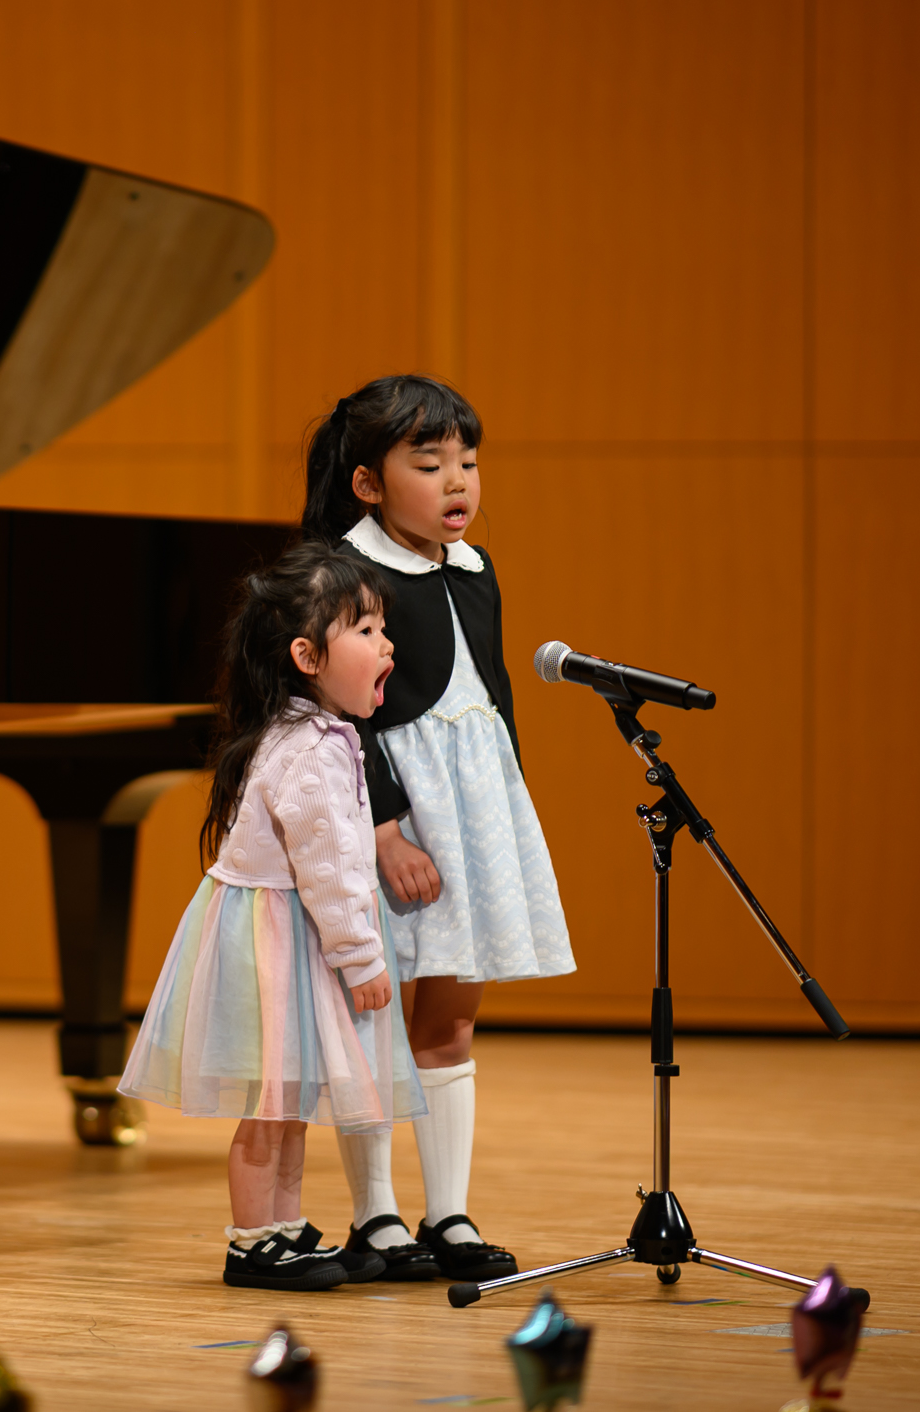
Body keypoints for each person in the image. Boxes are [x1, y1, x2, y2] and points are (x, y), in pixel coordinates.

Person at [299, 374, 576, 1285]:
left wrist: (509, 808)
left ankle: (448, 1211)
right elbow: (341, 720)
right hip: (386, 813)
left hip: (471, 813)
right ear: (368, 483)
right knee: (375, 1016)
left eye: (468, 461)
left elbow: (490, 696)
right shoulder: (345, 573)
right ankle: (375, 1214)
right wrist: (383, 830)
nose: (457, 480)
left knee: (450, 1019)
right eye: (429, 463)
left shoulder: (475, 566)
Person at [118, 540, 425, 1291]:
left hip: (285, 940)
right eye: (365, 630)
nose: (386, 644)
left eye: (384, 628)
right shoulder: (311, 751)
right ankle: (253, 1241)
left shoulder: (306, 733)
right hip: (277, 947)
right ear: (307, 656)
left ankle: (283, 1227)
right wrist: (362, 957)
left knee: (285, 1101)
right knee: (269, 1106)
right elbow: (331, 871)